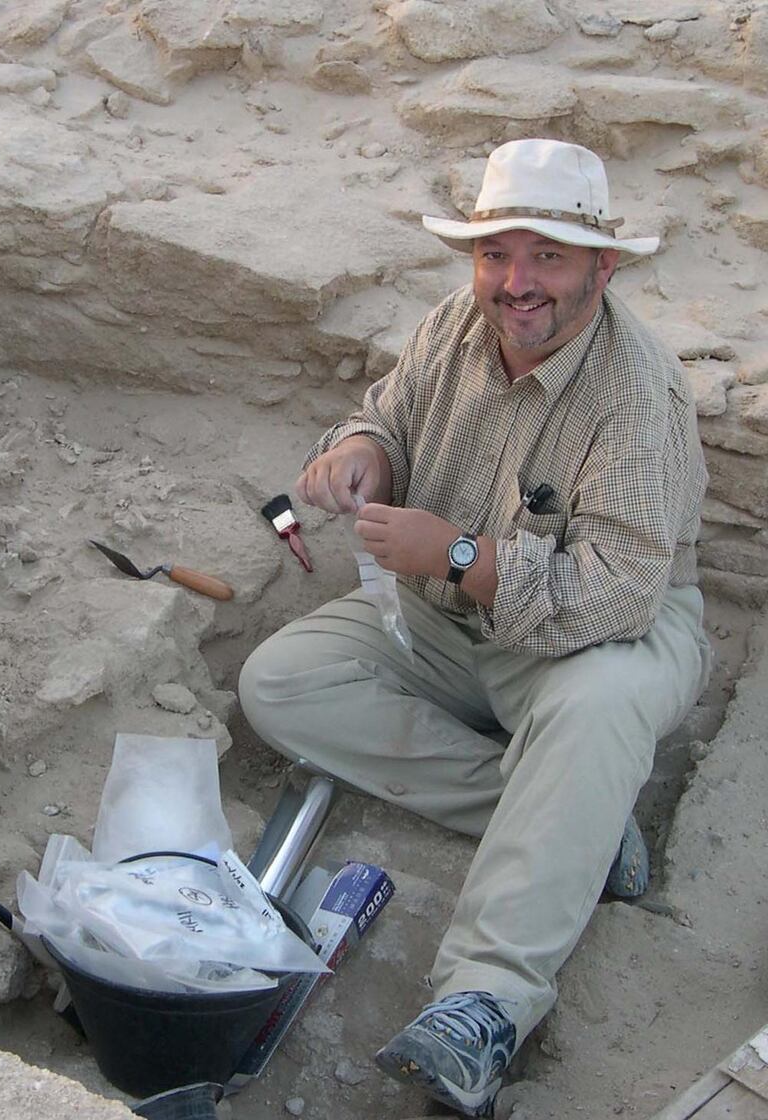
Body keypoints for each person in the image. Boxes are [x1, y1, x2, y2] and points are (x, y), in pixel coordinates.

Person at [239, 138, 712, 1118]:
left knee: (597, 705)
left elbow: (622, 589)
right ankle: (572, 823)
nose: (515, 282)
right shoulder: (453, 324)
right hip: (446, 622)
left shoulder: (636, 389)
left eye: (545, 257)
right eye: (496, 254)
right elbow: (387, 417)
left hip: (591, 643)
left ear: (600, 266)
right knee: (281, 682)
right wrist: (361, 454)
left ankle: (483, 1002)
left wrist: (457, 554)